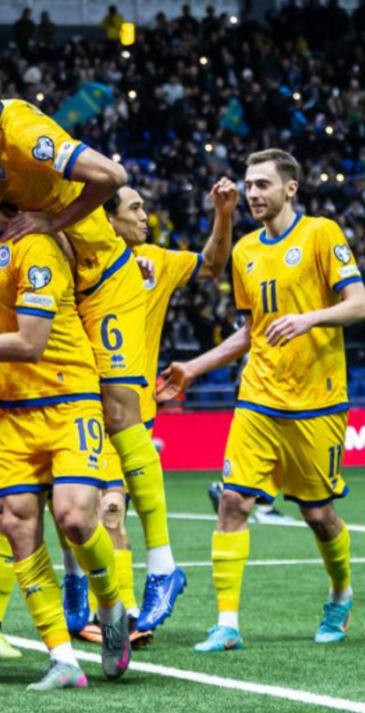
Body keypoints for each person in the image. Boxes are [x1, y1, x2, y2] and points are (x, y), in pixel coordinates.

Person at [0, 49, 187, 635]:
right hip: (70, 283)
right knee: (59, 457)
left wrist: (56, 221)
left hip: (105, 280)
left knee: (120, 413)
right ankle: (79, 583)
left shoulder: (24, 133)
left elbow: (112, 176)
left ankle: (164, 565)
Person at [0, 153, 131, 691]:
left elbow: (30, 343)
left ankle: (112, 609)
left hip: (67, 399)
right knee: (16, 527)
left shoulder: (34, 248)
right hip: (10, 409)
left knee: (76, 519)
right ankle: (62, 658)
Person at [158, 149, 365, 652]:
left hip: (317, 401)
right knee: (233, 501)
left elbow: (360, 305)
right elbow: (250, 332)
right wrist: (194, 367)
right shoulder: (245, 251)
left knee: (318, 516)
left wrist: (310, 319)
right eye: (249, 185)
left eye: (262, 185)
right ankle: (226, 623)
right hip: (258, 397)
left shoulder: (321, 234)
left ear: (290, 189)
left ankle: (341, 593)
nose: (253, 193)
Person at [72, 181, 237, 647]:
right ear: (106, 219)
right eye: (135, 208)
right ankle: (119, 608)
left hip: (131, 412)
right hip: (80, 407)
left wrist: (223, 214)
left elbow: (212, 264)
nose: (145, 216)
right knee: (97, 513)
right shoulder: (77, 263)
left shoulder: (157, 262)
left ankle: (123, 611)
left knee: (109, 509)